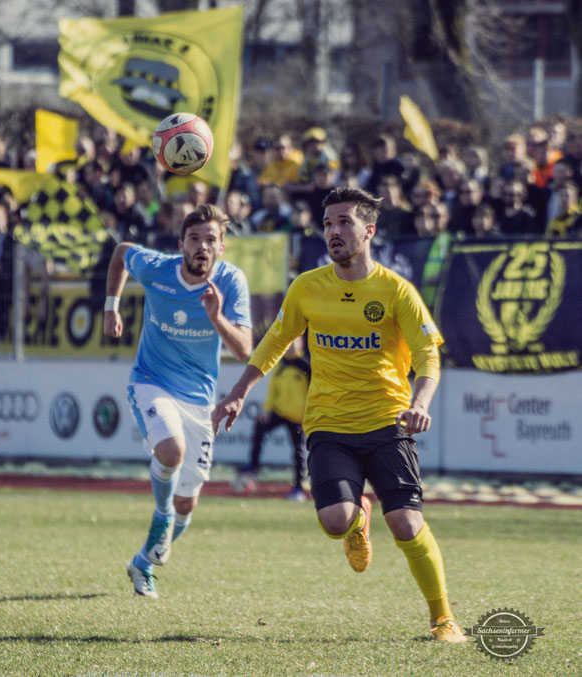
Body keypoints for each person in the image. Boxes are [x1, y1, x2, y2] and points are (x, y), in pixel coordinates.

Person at [212, 186, 467, 643]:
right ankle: (355, 521)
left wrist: (420, 402)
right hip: (329, 423)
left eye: (344, 222)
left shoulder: (397, 292)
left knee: (407, 524)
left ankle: (443, 618)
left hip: (389, 422)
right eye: (328, 223)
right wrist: (237, 392)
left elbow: (428, 356)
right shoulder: (307, 287)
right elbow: (273, 342)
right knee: (334, 521)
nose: (333, 231)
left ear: (369, 231)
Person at [103, 203, 252, 599]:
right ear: (181, 243)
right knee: (171, 451)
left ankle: (143, 564)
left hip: (199, 399)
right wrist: (110, 307)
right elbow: (120, 252)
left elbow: (243, 350)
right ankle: (160, 514)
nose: (202, 246)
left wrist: (217, 317)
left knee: (188, 504)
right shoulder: (156, 267)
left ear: (222, 247)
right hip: (150, 381)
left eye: (211, 240)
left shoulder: (232, 282)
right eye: (194, 238)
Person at [235, 337, 310, 501]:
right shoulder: (281, 364)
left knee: (298, 453)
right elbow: (272, 390)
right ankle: (254, 467)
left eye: (294, 344)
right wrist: (267, 410)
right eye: (288, 344)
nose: (290, 347)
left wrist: (308, 418)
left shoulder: (306, 366)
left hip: (298, 417)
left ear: (301, 345)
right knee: (259, 427)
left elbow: (313, 394)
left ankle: (298, 488)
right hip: (280, 412)